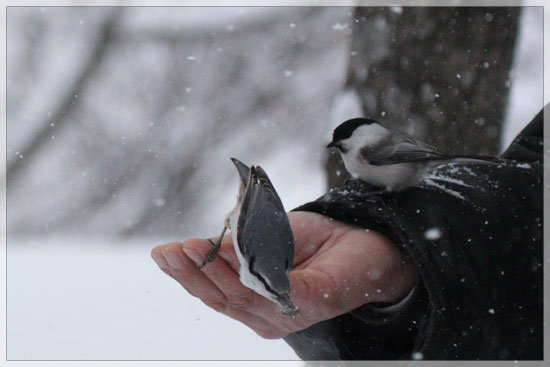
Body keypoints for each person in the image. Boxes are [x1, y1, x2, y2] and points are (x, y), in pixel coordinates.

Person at [151, 106, 544, 360]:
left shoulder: (369, 150)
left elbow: (411, 164)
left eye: (342, 146)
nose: (340, 152)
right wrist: (390, 234)